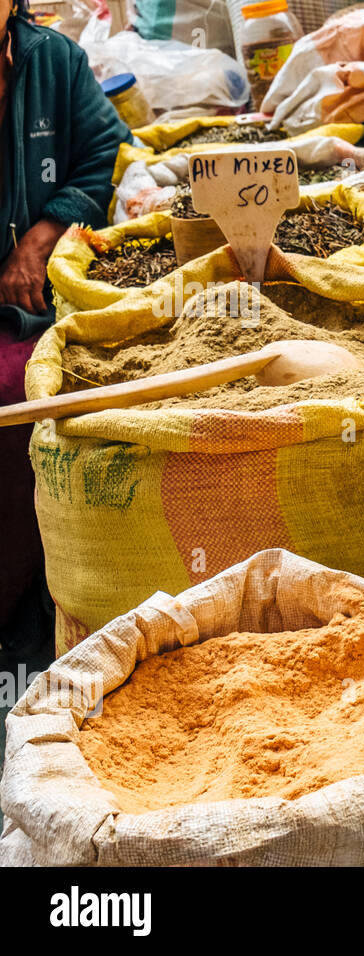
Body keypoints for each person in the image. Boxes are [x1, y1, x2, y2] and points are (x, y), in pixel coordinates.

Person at [0, 0, 129, 651]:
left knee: (42, 401)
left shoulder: (53, 60)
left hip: (35, 309)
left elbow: (104, 149)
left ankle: (31, 604)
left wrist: (44, 234)